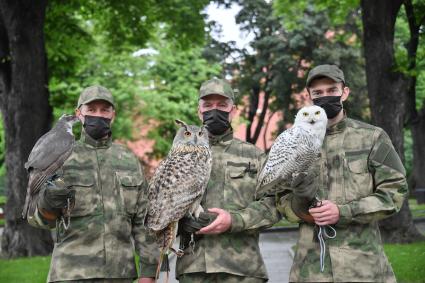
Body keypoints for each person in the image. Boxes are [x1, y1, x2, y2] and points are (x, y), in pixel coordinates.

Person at [277, 64, 407, 282]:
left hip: (363, 268)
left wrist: (343, 211)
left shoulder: (372, 137)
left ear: (344, 92)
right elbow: (279, 196)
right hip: (311, 269)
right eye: (318, 93)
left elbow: (394, 192)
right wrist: (301, 211)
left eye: (332, 90)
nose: (325, 96)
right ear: (308, 96)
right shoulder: (293, 143)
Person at [27, 86, 157, 283]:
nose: (98, 115)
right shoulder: (61, 154)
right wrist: (48, 202)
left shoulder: (128, 160)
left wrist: (148, 272)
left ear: (113, 115)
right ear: (79, 114)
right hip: (70, 274)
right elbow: (38, 220)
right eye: (91, 109)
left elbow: (144, 221)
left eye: (105, 110)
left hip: (119, 274)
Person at [175, 78, 280, 283]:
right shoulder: (181, 155)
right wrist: (180, 221)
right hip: (194, 269)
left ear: (233, 110)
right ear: (199, 111)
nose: (215, 111)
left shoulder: (255, 156)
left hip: (243, 270)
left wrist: (234, 220)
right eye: (208, 105)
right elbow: (161, 206)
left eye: (222, 105)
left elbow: (274, 205)